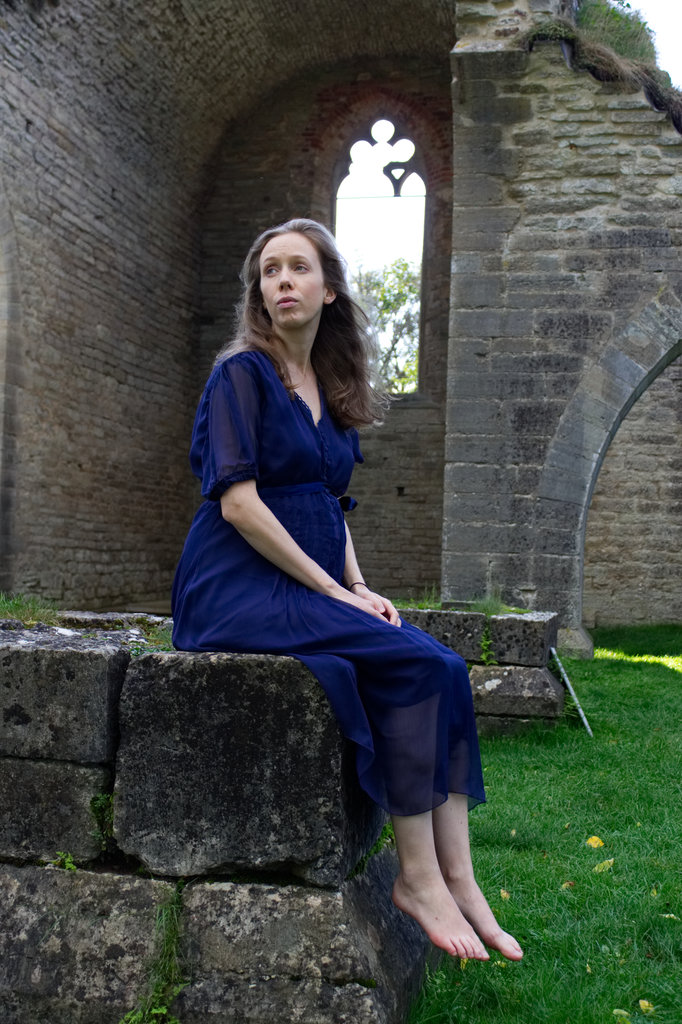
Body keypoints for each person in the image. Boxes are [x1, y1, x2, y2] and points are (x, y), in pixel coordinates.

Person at [171, 218, 523, 962]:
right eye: (269, 272)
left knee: (445, 668)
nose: (282, 282)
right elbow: (238, 504)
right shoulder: (242, 373)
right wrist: (335, 591)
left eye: (298, 268)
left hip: (310, 583)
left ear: (328, 289)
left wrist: (361, 585)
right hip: (234, 586)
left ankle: (462, 876)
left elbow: (331, 502)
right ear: (258, 294)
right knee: (419, 665)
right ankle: (418, 879)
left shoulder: (330, 388)